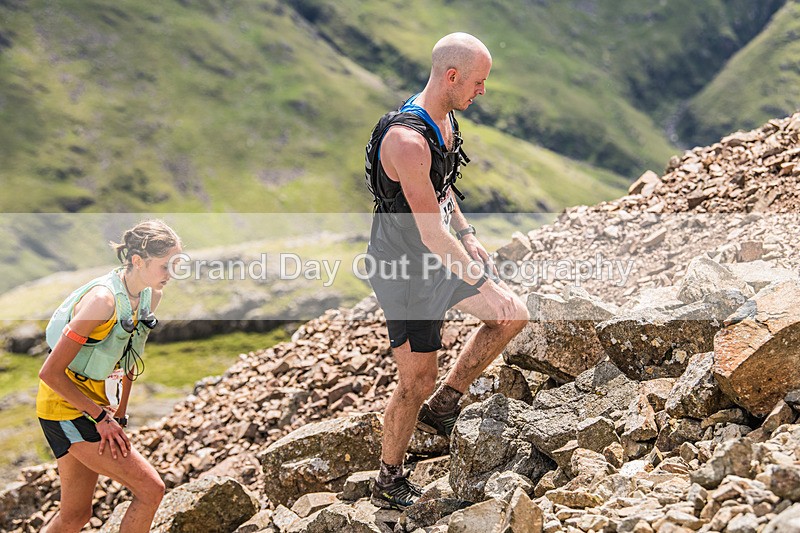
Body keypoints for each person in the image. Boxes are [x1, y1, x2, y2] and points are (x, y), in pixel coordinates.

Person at [365, 33, 529, 509]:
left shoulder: (443, 118)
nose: (483, 91)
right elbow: (430, 234)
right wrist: (482, 281)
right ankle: (388, 478)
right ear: (452, 76)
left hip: (437, 257)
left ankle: (445, 406)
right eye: (478, 82)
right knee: (415, 380)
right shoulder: (406, 140)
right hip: (404, 271)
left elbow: (443, 190)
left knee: (511, 314)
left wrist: (469, 233)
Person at [37, 219, 182, 532]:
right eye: (166, 265)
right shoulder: (101, 302)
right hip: (65, 408)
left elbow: (128, 356)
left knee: (76, 516)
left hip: (96, 408)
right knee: (151, 490)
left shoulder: (149, 296)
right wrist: (102, 419)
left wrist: (120, 414)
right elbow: (50, 372)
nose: (173, 272)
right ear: (137, 261)